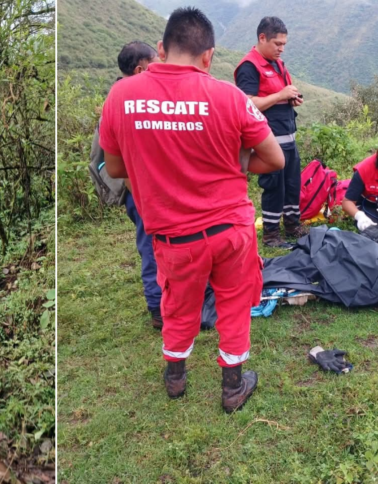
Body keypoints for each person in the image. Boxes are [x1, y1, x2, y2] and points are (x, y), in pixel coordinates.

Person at [98, 8, 284, 411]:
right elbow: (274, 160)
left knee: (178, 305)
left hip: (172, 236)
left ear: (162, 49)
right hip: (230, 229)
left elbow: (114, 167)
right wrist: (235, 163)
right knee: (234, 305)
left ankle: (176, 378)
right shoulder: (229, 97)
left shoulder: (120, 96)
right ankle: (233, 388)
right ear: (208, 56)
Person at [93, 41, 165, 329]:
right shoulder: (121, 105)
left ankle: (169, 300)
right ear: (140, 69)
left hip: (149, 191)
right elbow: (119, 164)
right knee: (151, 246)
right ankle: (158, 308)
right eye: (154, 63)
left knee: (161, 245)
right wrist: (146, 199)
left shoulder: (127, 99)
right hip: (139, 192)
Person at [235, 16, 306, 249]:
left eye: (284, 44)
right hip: (268, 139)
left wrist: (291, 98)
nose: (281, 49)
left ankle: (293, 225)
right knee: (274, 186)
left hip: (289, 136)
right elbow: (246, 104)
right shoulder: (249, 66)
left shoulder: (277, 63)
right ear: (262, 38)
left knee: (292, 184)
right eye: (277, 44)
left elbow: (280, 94)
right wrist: (280, 96)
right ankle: (271, 234)